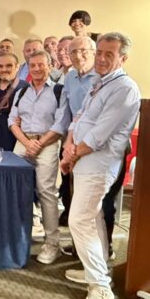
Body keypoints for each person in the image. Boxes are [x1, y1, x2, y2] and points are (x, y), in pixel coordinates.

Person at [61, 32, 140, 299]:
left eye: (110, 54)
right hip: (83, 160)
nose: (102, 59)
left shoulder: (125, 89)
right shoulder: (99, 82)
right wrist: (69, 144)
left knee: (79, 220)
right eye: (100, 53)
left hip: (99, 164)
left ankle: (100, 285)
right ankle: (97, 268)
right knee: (92, 218)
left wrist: (72, 154)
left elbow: (98, 136)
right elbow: (79, 118)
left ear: (123, 58)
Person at [8, 50, 70, 265]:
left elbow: (61, 124)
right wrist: (27, 143)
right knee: (15, 191)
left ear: (50, 66)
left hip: (48, 144)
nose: (36, 69)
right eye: (32, 65)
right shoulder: (22, 92)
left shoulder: (59, 91)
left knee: (46, 192)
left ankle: (52, 244)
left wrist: (39, 144)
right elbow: (12, 121)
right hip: (23, 143)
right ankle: (16, 238)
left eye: (40, 65)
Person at [58, 37, 97, 228]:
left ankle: (101, 241)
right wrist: (67, 141)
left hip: (94, 142)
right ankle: (74, 233)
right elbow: (66, 111)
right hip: (71, 139)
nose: (78, 55)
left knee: (92, 195)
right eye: (72, 51)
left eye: (83, 51)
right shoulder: (70, 77)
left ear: (94, 53)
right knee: (69, 187)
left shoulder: (102, 77)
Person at [0, 52, 27, 151]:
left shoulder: (26, 88)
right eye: (0, 66)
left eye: (9, 66)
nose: (4, 69)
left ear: (17, 67)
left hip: (15, 144)